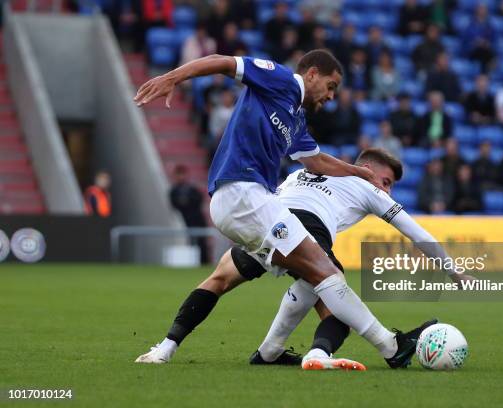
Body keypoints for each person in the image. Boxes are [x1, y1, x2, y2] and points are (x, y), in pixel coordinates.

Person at [134, 50, 437, 370]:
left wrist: (358, 171)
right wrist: (173, 77)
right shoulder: (279, 78)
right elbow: (223, 62)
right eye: (331, 86)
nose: (331, 96)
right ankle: (391, 347)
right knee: (326, 273)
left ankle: (173, 349)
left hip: (245, 203)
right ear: (312, 74)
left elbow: (316, 161)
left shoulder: (296, 119)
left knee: (256, 277)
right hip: (243, 194)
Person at [134, 148, 473, 368]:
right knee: (333, 289)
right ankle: (385, 347)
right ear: (366, 168)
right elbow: (416, 233)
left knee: (219, 279)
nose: (386, 191)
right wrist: (453, 269)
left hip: (269, 221)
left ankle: (170, 347)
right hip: (309, 230)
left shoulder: (302, 173)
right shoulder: (367, 186)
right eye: (385, 181)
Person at [169, 165, 208, 263]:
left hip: (197, 221)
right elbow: (175, 205)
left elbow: (198, 200)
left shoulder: (192, 189)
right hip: (184, 221)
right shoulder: (174, 191)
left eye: (183, 174)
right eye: (179, 174)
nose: (181, 177)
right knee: (188, 244)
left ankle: (203, 263)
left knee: (201, 245)